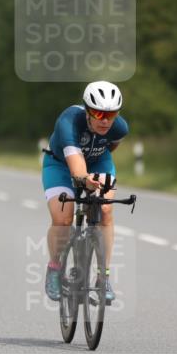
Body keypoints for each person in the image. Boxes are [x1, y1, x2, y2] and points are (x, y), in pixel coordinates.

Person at [42, 81, 128, 304]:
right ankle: (54, 267)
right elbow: (77, 168)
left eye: (112, 114)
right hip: (59, 164)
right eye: (99, 114)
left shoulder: (119, 127)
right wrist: (84, 180)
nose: (106, 120)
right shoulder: (69, 121)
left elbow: (111, 148)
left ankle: (103, 277)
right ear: (88, 110)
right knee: (63, 218)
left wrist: (95, 174)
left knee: (106, 210)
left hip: (98, 162)